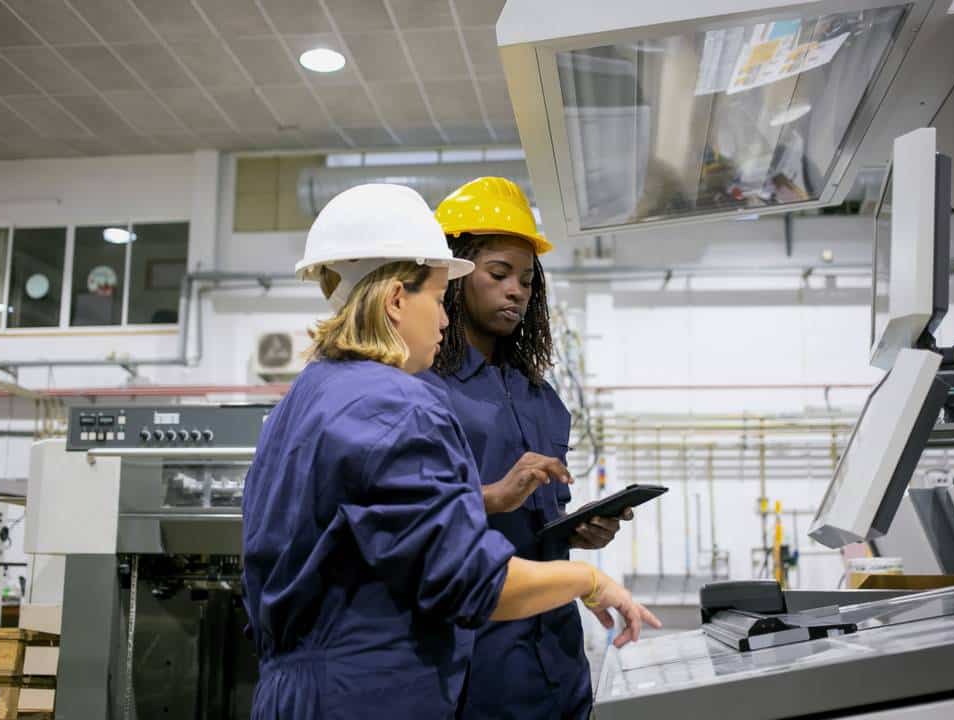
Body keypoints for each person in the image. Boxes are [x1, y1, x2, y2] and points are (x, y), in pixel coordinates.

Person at [241, 184, 660, 720]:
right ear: (396, 299)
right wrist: (592, 580)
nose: (443, 320)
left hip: (301, 691)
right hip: (371, 693)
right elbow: (470, 580)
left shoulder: (307, 396)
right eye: (439, 300)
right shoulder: (394, 402)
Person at [425, 177, 634, 719]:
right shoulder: (420, 390)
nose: (516, 290)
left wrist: (582, 529)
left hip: (556, 651)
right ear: (452, 277)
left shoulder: (542, 399)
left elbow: (542, 526)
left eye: (526, 280)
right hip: (473, 656)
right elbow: (407, 518)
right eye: (498, 274)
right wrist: (493, 494)